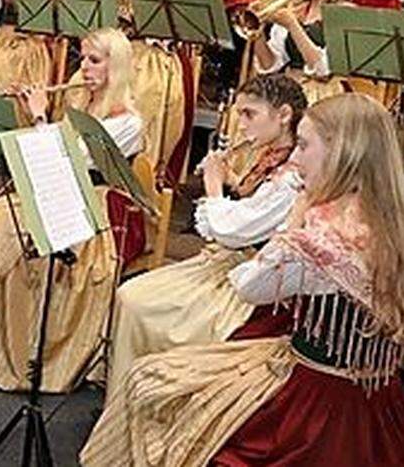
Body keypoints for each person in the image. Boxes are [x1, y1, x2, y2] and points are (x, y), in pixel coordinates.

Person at [83, 93, 404, 466]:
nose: (296, 158)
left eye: (304, 146)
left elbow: (249, 285)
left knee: (154, 382)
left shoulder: (316, 236)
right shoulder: (394, 221)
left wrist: (296, 217)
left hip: (315, 404)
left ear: (342, 152)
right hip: (383, 398)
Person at [0, 27, 144, 391]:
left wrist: (40, 117)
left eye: (94, 61)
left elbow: (70, 159)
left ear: (115, 67)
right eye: (82, 59)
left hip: (91, 201)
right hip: (55, 188)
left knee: (15, 242)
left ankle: (9, 354)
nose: (84, 68)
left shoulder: (128, 121)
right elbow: (48, 151)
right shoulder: (82, 103)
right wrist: (28, 113)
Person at [106, 73, 306, 396]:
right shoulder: (274, 154)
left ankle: (145, 395)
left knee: (136, 301)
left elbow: (234, 230)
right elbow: (254, 209)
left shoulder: (293, 177)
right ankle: (128, 390)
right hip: (232, 261)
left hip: (251, 281)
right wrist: (231, 181)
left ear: (283, 116)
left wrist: (213, 186)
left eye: (249, 114)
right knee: (135, 295)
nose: (240, 125)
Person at [118, 0, 192, 182]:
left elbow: (183, 33)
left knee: (147, 92)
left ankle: (145, 171)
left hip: (162, 58)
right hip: (132, 52)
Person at [251, 0, 350, 105]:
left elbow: (322, 70)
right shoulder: (295, 10)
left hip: (322, 96)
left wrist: (293, 26)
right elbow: (269, 65)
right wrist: (256, 32)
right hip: (289, 90)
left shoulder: (344, 13)